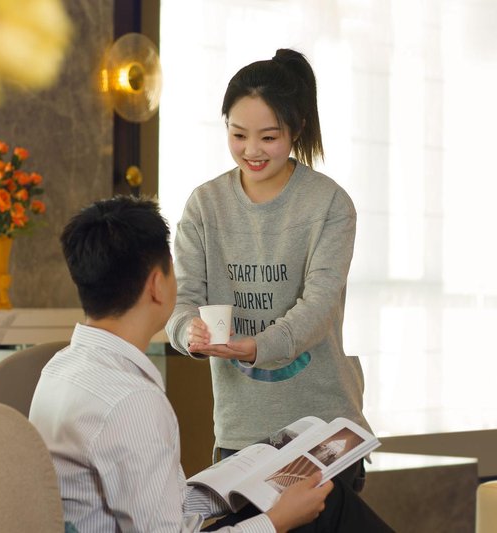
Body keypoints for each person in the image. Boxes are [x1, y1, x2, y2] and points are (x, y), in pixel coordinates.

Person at [29, 195, 391, 532]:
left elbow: (150, 503)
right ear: (157, 285)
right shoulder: (132, 401)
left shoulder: (60, 369)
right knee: (328, 504)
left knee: (316, 497)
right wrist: (276, 521)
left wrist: (243, 482)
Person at [165, 48, 370, 489]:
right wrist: (188, 333)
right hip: (240, 432)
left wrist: (257, 347)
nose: (252, 150)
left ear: (297, 129)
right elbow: (183, 299)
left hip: (323, 430)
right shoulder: (205, 205)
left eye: (269, 137)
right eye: (238, 135)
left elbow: (319, 307)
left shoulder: (329, 204)